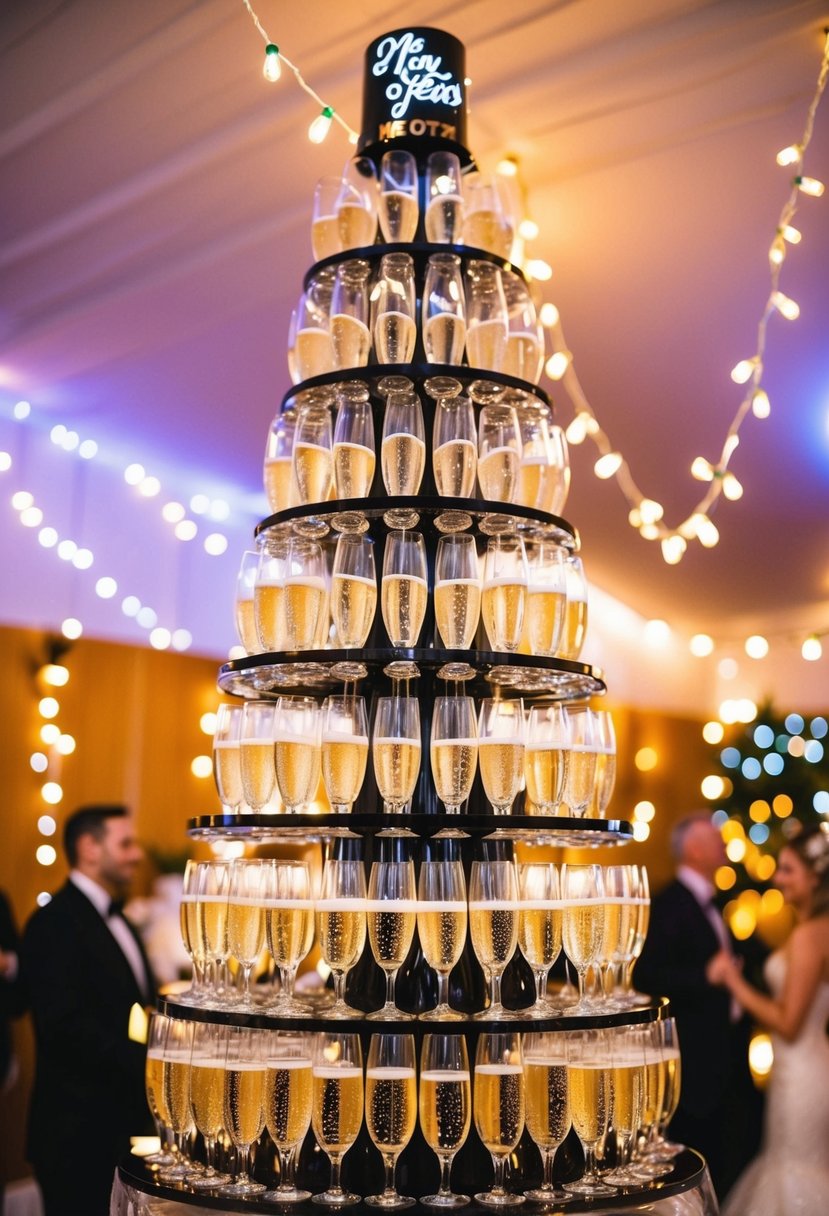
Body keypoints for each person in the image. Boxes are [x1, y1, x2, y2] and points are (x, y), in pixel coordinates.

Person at [21, 805, 156, 1216]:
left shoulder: (120, 920)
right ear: (89, 848)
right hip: (74, 1134)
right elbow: (64, 1027)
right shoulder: (54, 922)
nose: (136, 855)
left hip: (118, 1126)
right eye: (125, 843)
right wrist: (148, 1062)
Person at [635, 812, 764, 1198]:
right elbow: (647, 978)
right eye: (715, 838)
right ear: (692, 848)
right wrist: (705, 977)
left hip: (729, 1054)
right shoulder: (668, 903)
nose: (724, 843)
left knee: (732, 1149)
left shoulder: (718, 900)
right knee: (700, 1159)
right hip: (696, 1061)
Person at [708, 822, 829, 1215]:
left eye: (789, 869)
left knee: (794, 1170)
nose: (778, 878)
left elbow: (789, 1022)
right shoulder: (811, 930)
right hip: (804, 1067)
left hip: (802, 1072)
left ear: (815, 878)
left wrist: (733, 981)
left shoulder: (812, 934)